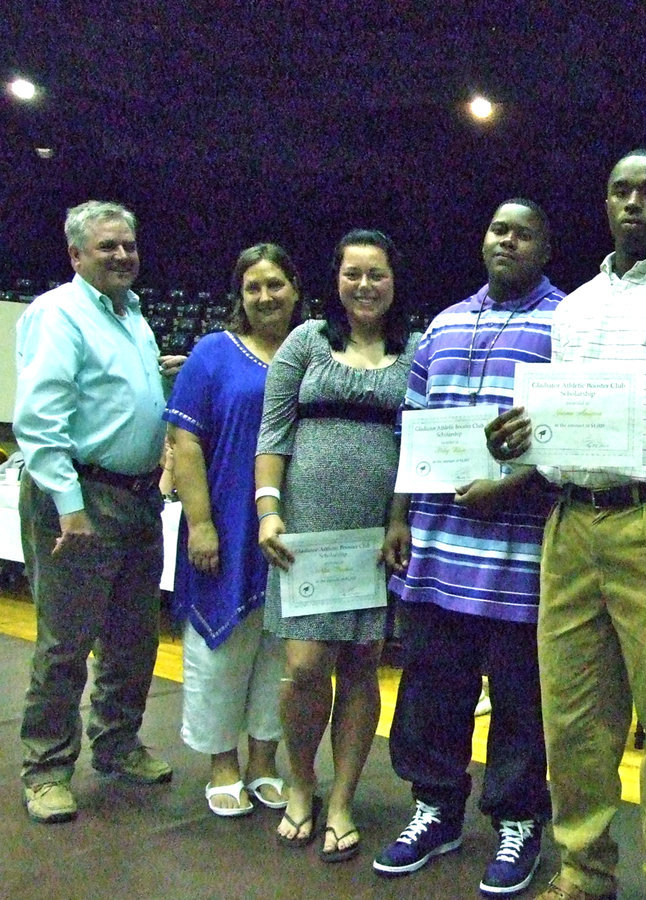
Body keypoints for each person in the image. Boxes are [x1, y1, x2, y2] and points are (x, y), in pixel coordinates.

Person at [488, 150, 646, 900]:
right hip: (570, 524)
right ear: (604, 204)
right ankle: (584, 870)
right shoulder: (572, 309)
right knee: (571, 718)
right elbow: (556, 426)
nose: (632, 203)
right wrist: (521, 441)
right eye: (619, 191)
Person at [372, 199, 560, 896]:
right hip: (438, 550)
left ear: (546, 248)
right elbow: (413, 431)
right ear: (482, 240)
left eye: (523, 233)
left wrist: (512, 485)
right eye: (497, 228)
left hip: (523, 555)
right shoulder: (445, 323)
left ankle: (518, 820)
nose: (507, 240)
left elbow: (575, 434)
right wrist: (398, 519)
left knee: (521, 701)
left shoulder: (566, 322)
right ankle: (435, 808)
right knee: (431, 688)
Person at [14, 201, 182, 824]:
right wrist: (68, 505)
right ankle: (47, 768)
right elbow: (39, 419)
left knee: (134, 639)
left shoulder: (132, 314)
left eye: (128, 245)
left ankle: (116, 745)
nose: (122, 255)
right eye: (107, 246)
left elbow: (115, 399)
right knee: (66, 642)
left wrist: (164, 378)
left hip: (138, 498)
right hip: (84, 499)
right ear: (76, 255)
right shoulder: (59, 313)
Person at [255, 229, 419, 862]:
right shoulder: (305, 342)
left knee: (358, 669)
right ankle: (302, 786)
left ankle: (343, 799)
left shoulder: (415, 352)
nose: (364, 285)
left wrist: (399, 518)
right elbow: (273, 434)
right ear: (336, 280)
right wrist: (268, 512)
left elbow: (415, 449)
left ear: (394, 281)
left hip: (374, 537)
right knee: (303, 669)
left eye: (376, 274)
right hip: (304, 532)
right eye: (353, 273)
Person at [163, 243, 304, 817]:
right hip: (223, 519)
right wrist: (200, 524)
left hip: (295, 524)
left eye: (276, 284)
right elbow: (186, 442)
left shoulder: (315, 350)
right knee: (219, 647)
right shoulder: (212, 354)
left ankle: (265, 761)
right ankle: (223, 763)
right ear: (240, 297)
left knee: (280, 650)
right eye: (254, 287)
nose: (266, 296)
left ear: (296, 289)